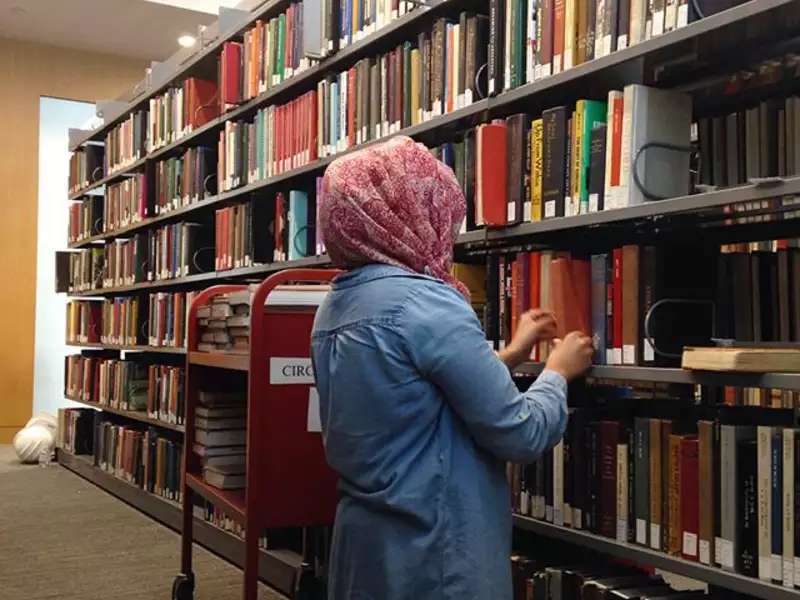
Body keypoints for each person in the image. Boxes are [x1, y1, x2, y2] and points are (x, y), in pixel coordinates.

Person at [311, 136, 593, 599]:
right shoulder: (427, 301)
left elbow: (417, 391)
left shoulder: (335, 306)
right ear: (408, 212)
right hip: (436, 552)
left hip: (367, 548)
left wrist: (513, 353)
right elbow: (519, 433)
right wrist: (557, 373)